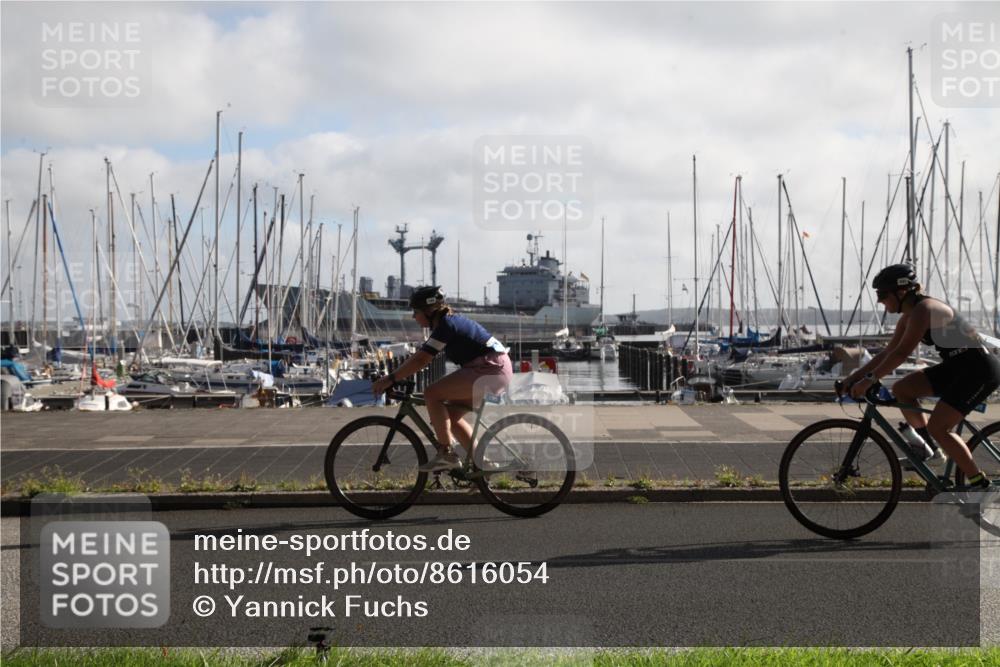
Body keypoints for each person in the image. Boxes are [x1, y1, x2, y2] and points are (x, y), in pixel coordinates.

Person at [842, 263, 1000, 489]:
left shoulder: (924, 310)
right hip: (958, 367)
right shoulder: (909, 316)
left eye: (882, 294)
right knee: (902, 389)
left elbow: (902, 353)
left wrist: (869, 380)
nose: (879, 300)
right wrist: (852, 379)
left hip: (979, 370)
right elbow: (888, 352)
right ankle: (930, 449)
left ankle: (978, 482)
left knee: (940, 427)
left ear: (902, 291)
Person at [371, 286, 513, 472]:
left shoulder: (446, 325)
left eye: (416, 311)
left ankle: (447, 454)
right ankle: (482, 464)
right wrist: (396, 376)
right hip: (495, 369)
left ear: (429, 311)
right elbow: (422, 356)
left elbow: (422, 359)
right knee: (451, 418)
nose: (414, 317)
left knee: (432, 393)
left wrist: (390, 378)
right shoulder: (448, 323)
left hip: (490, 369)